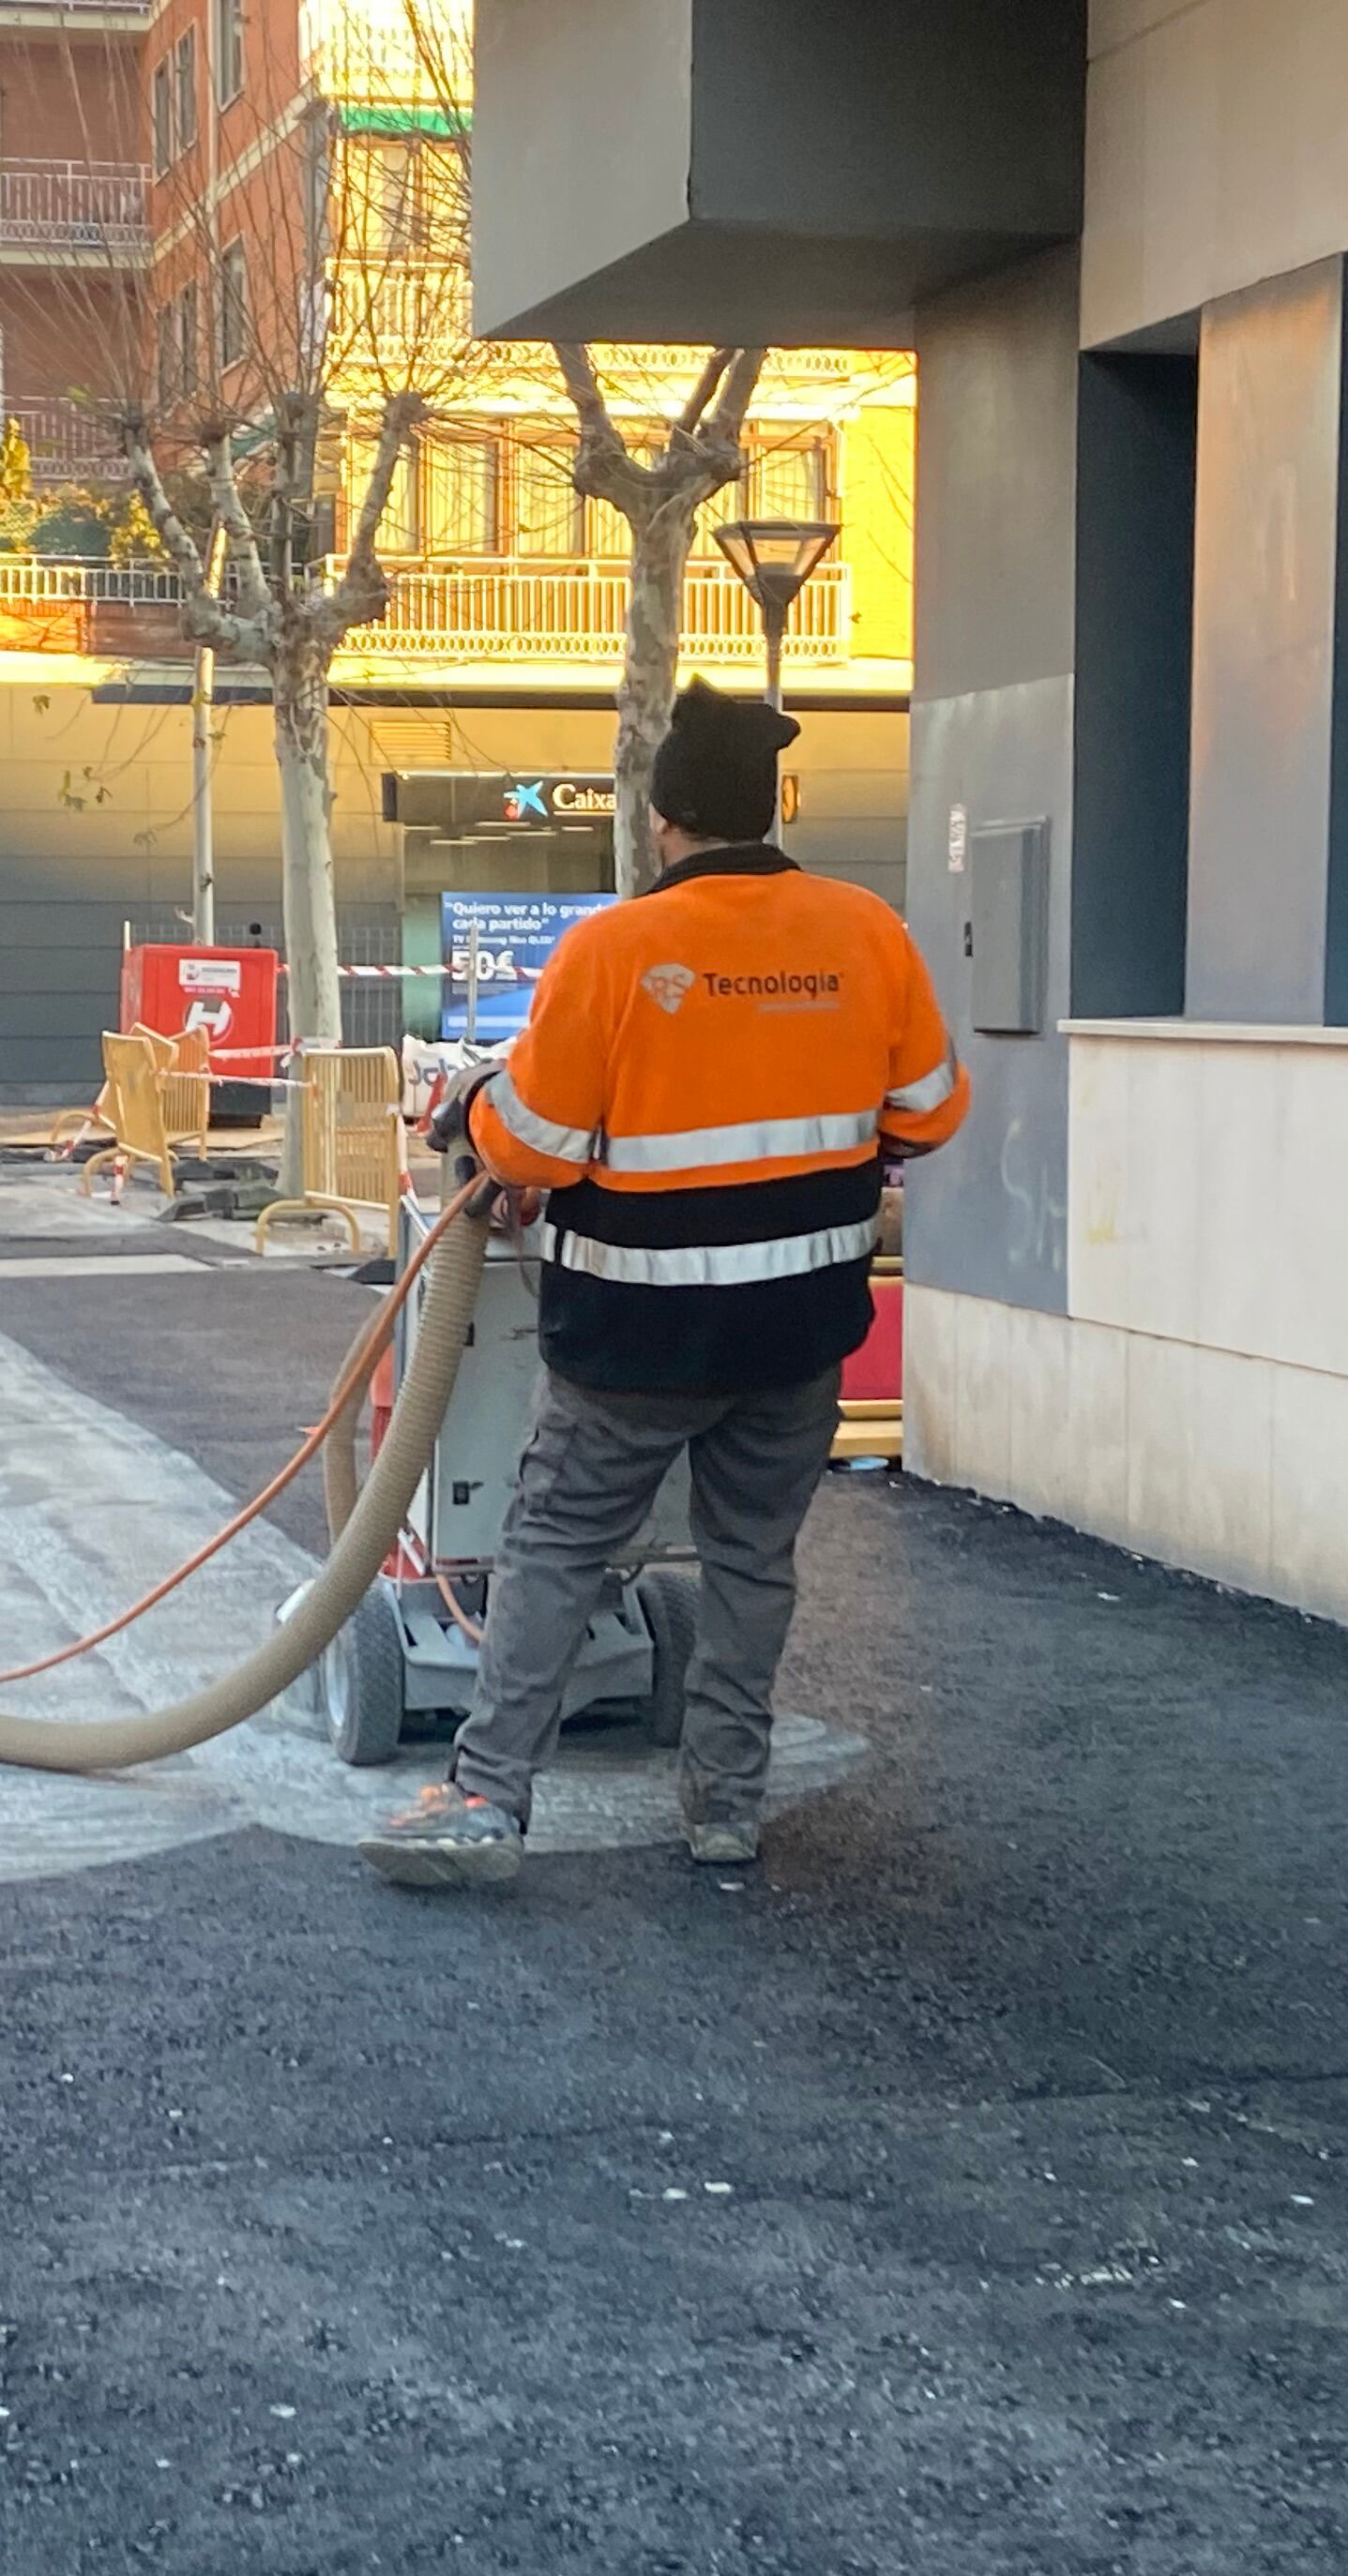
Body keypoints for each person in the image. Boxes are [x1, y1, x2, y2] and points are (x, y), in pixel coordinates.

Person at [362, 680, 970, 1889]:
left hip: (632, 1336)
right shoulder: (866, 933)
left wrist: (475, 1103)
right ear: (770, 805)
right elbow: (931, 1111)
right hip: (798, 1330)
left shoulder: (615, 950)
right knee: (751, 1562)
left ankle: (486, 1797)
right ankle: (725, 1809)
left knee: (553, 1548)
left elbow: (530, 1145)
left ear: (661, 819)